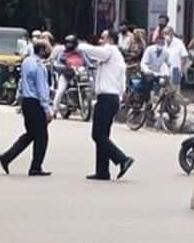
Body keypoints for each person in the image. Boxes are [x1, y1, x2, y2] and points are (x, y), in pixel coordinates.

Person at [79, 29, 135, 181]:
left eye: (103, 38)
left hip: (107, 97)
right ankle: (102, 171)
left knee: (97, 135)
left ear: (110, 39)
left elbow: (94, 51)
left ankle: (122, 159)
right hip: (112, 98)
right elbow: (122, 82)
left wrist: (80, 45)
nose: (100, 41)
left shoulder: (110, 51)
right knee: (103, 135)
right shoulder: (117, 58)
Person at [0, 41, 53, 177]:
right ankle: (35, 167)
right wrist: (47, 108)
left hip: (27, 102)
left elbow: (22, 82)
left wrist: (20, 98)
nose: (48, 52)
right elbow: (41, 88)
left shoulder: (26, 62)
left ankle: (7, 157)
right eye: (47, 49)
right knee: (42, 137)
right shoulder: (39, 66)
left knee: (31, 134)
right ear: (41, 50)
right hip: (36, 103)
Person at [51, 35, 92, 116]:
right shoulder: (62, 54)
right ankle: (54, 110)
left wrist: (92, 66)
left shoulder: (81, 53)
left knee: (91, 81)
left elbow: (87, 62)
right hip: (67, 75)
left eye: (71, 43)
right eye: (68, 43)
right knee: (61, 90)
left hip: (80, 74)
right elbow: (57, 64)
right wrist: (65, 67)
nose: (69, 45)